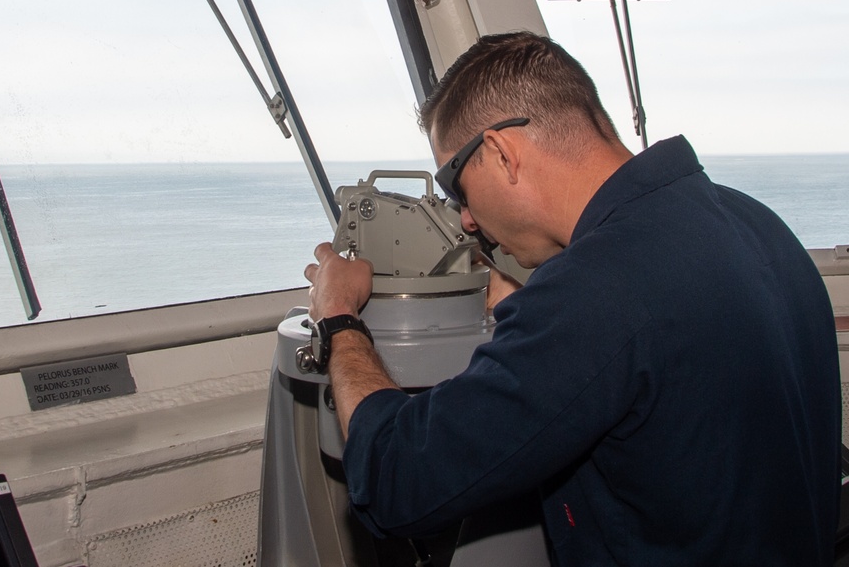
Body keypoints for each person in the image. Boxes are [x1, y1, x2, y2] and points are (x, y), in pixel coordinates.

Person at [304, 31, 841, 565]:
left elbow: (397, 481)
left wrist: (340, 321)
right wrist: (523, 307)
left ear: (501, 152)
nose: (466, 219)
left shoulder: (595, 293)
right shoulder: (754, 221)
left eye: (458, 188)